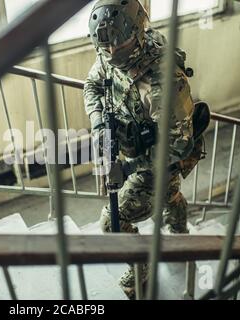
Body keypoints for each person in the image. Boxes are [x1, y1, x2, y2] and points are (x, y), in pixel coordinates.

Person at [84, 0, 196, 299]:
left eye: (117, 48)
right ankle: (180, 232)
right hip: (137, 150)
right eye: (104, 48)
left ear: (138, 33)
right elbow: (92, 86)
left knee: (112, 222)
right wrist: (98, 125)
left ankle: (141, 267)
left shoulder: (164, 79)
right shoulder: (113, 47)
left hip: (162, 160)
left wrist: (129, 169)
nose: (110, 55)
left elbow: (179, 145)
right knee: (171, 196)